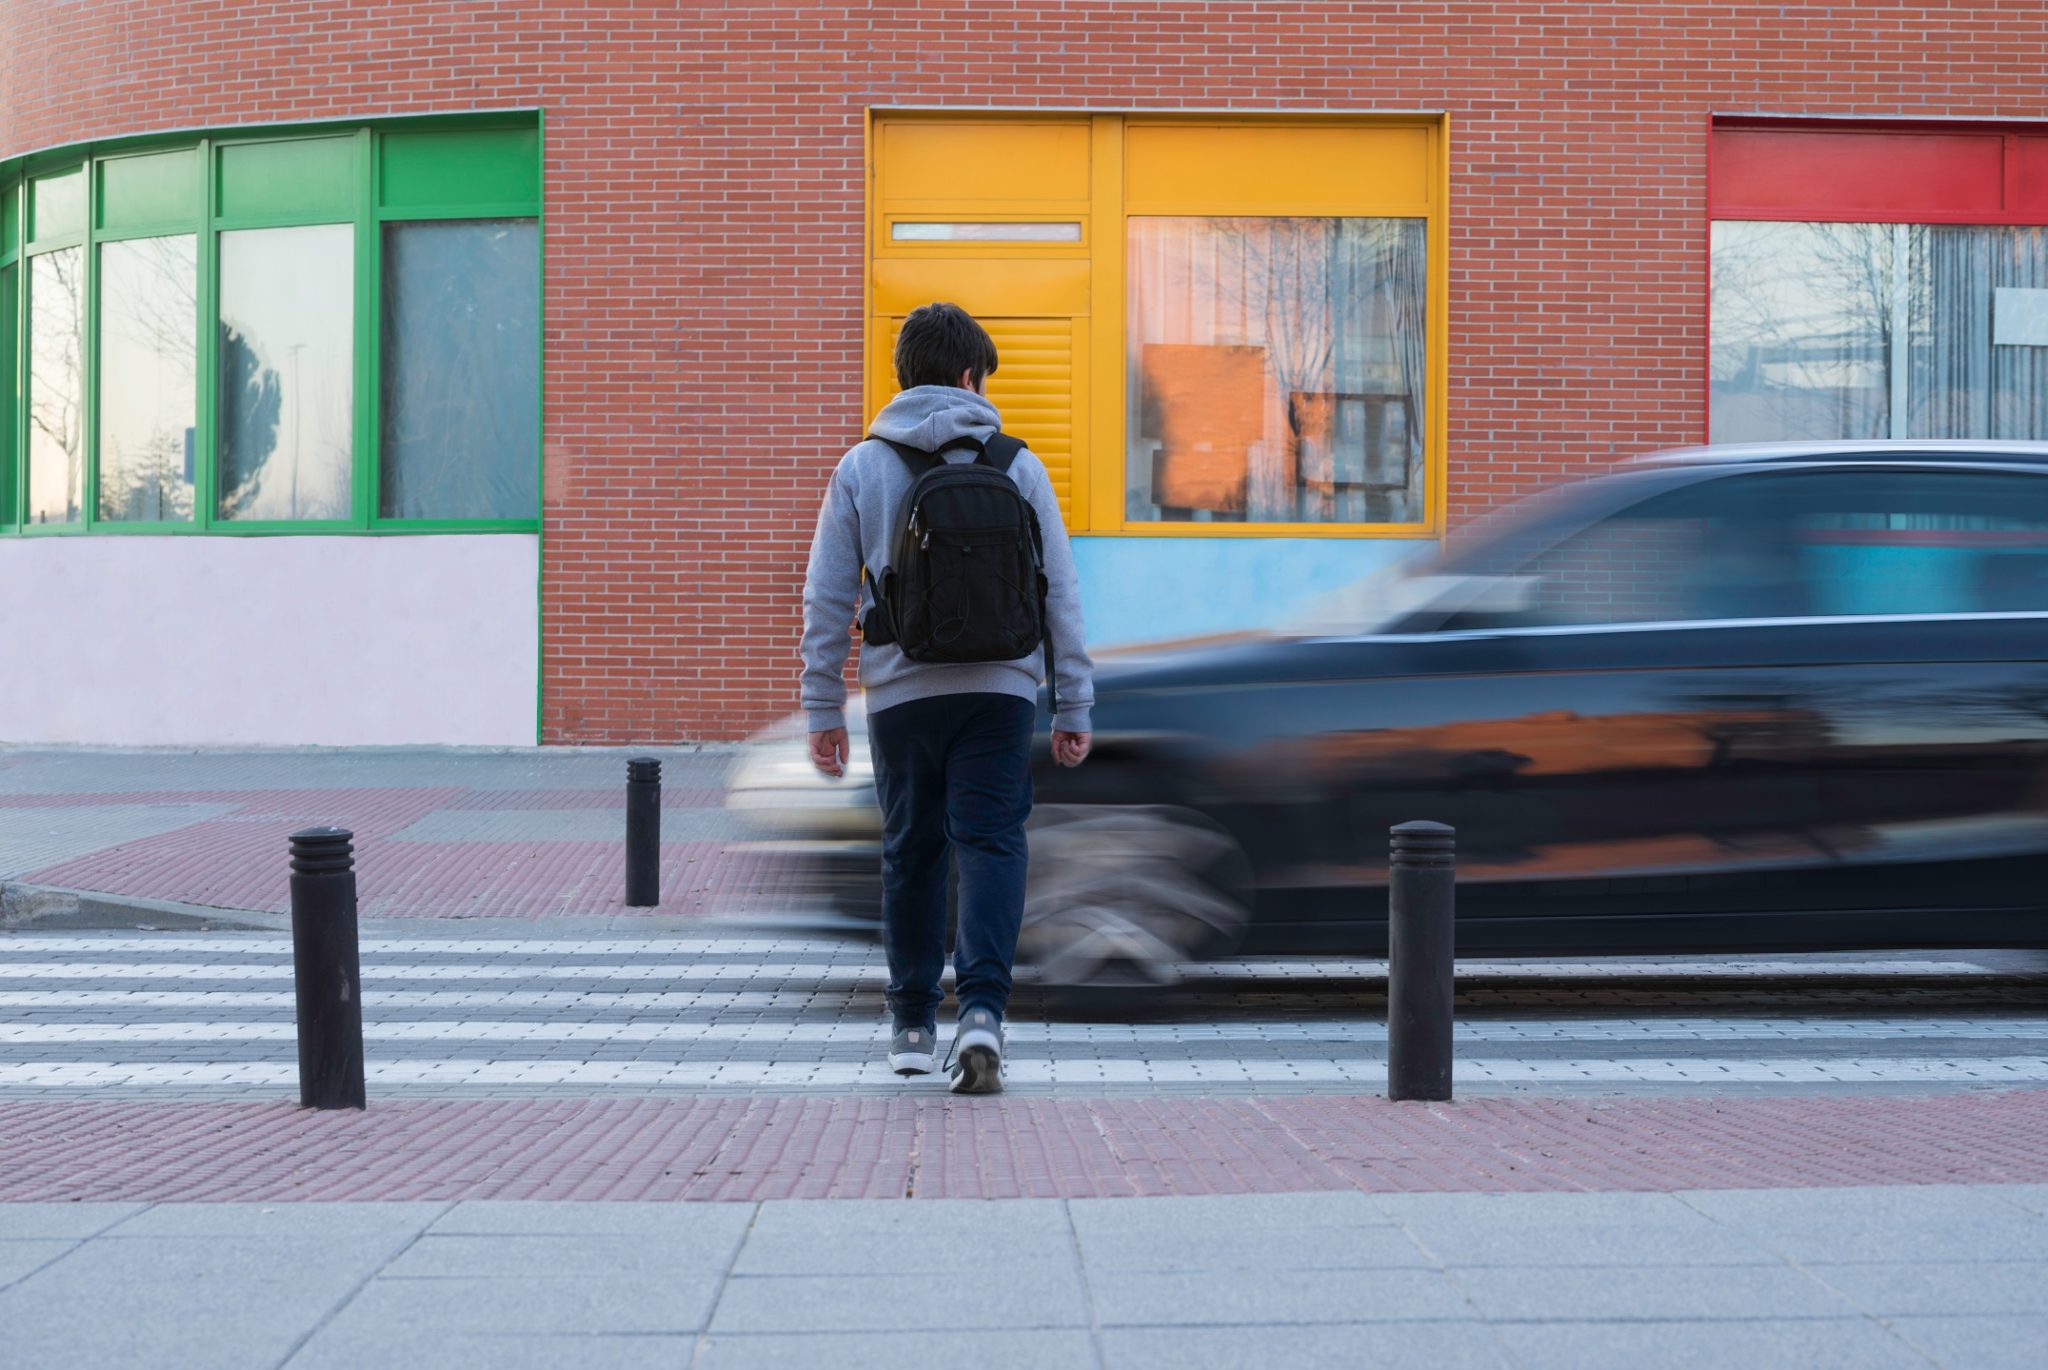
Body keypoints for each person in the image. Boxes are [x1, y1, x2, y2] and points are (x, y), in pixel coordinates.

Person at [800, 302, 1094, 1094]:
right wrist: (1074, 702)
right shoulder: (1018, 463)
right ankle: (985, 1013)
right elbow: (1059, 591)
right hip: (1001, 687)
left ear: (904, 376)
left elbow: (827, 598)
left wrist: (822, 706)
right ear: (972, 377)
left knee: (912, 848)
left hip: (901, 693)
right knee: (992, 841)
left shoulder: (862, 465)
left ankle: (910, 1022)